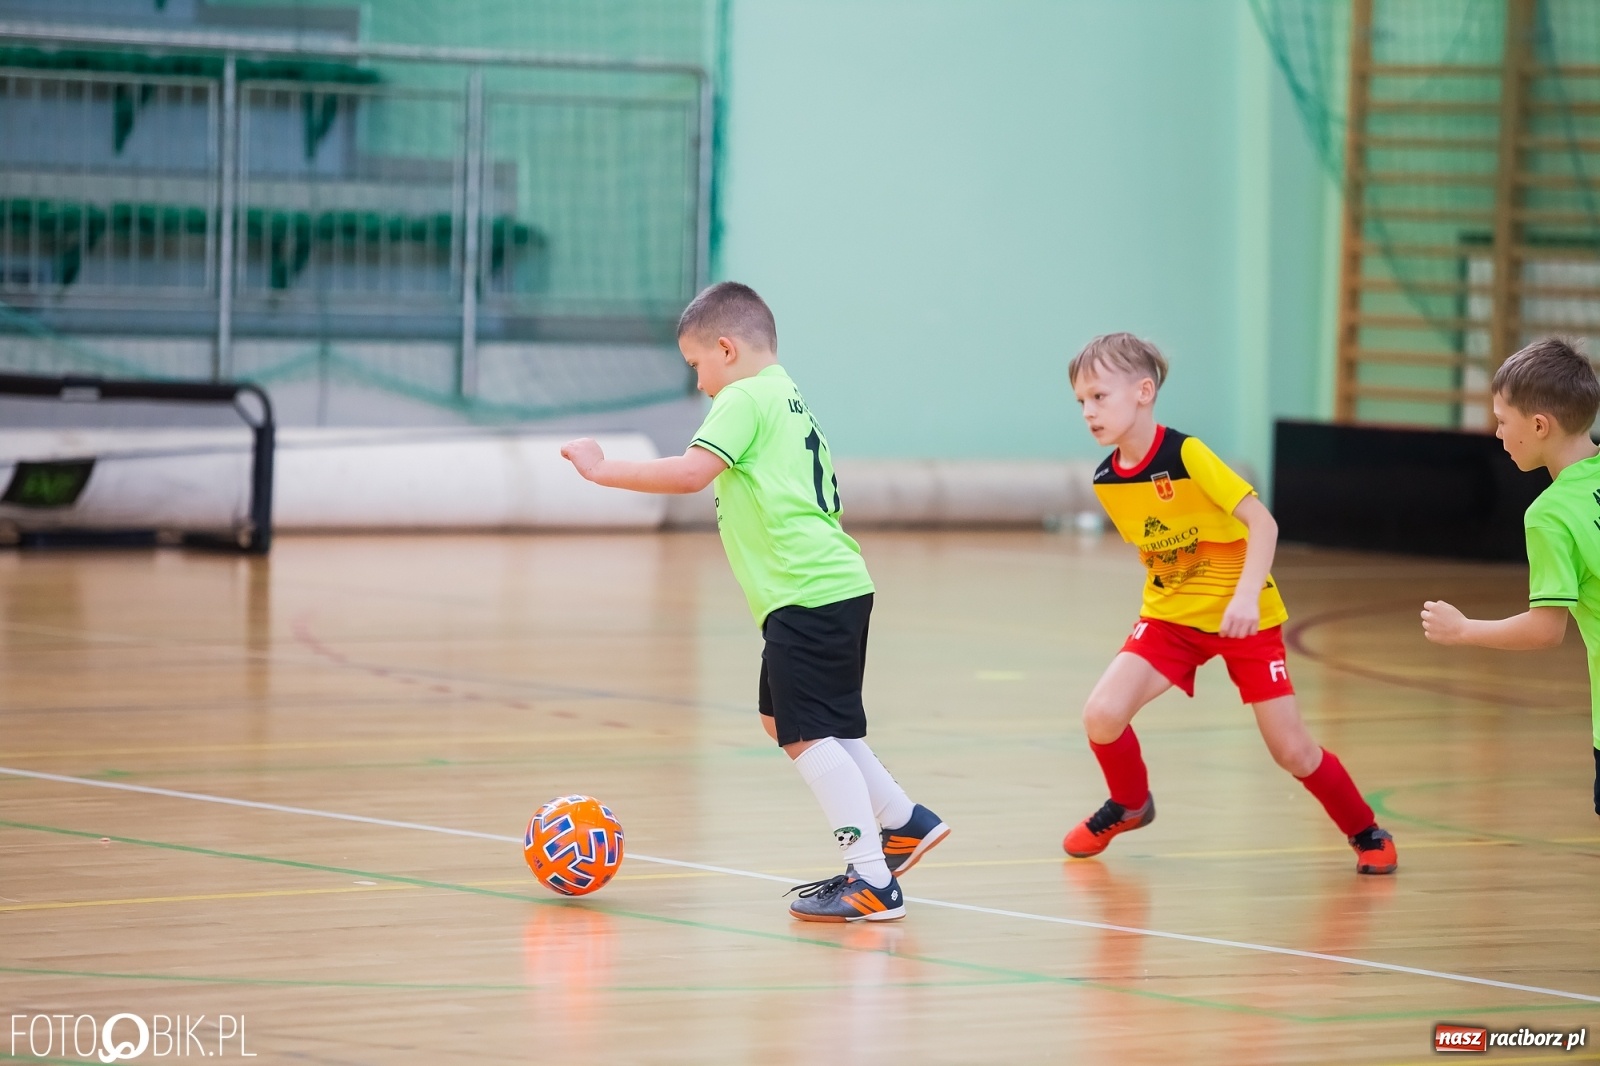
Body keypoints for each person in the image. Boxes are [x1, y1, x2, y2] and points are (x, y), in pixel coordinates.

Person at [560, 281, 949, 921]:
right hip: (827, 588)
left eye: (697, 367)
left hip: (807, 592)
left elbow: (690, 474)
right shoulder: (785, 394)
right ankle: (904, 821)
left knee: (805, 732)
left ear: (725, 348)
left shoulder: (743, 396)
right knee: (787, 722)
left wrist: (604, 469)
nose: (700, 386)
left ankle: (872, 877)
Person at [1065, 332, 1397, 874]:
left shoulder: (1187, 453)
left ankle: (1367, 831)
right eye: (1081, 401)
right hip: (1171, 620)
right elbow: (1162, 550)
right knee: (1101, 716)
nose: (1088, 412)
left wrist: (1244, 597)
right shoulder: (1107, 480)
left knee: (1291, 750)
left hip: (1248, 618)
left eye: (1099, 397)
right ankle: (1130, 804)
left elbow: (1262, 524)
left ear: (1144, 391)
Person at [1421, 336, 1600, 818]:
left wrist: (1463, 631)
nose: (1497, 433)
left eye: (1503, 421)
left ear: (1540, 425)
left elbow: (1546, 631)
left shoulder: (1550, 515)